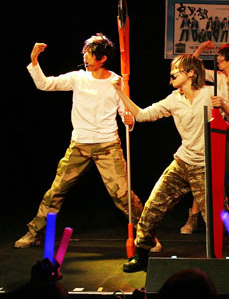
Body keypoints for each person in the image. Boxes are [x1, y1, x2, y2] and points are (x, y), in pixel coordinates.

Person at [116, 54, 229, 272]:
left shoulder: (209, 94)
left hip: (205, 167)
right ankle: (142, 254)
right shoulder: (174, 99)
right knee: (152, 207)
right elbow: (142, 115)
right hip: (182, 162)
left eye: (175, 71)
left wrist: (223, 104)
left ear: (190, 73)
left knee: (219, 219)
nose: (171, 75)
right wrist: (119, 92)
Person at [15, 35, 145, 250]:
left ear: (102, 58)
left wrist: (129, 120)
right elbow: (44, 84)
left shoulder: (116, 81)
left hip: (107, 145)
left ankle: (146, 234)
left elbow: (125, 111)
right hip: (80, 145)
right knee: (56, 191)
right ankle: (34, 232)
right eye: (85, 52)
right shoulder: (78, 78)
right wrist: (34, 60)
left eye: (89, 53)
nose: (85, 56)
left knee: (122, 194)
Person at [178, 41, 229, 232]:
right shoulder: (217, 76)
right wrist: (201, 48)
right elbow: (193, 67)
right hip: (220, 133)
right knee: (207, 177)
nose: (218, 61)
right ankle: (193, 218)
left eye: (221, 59)